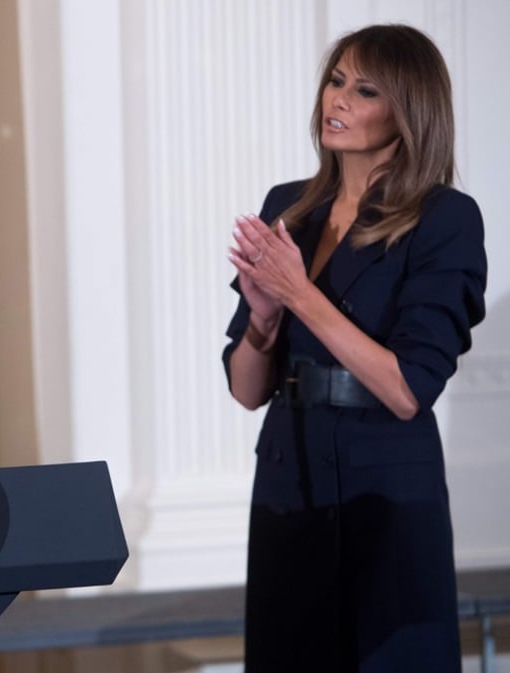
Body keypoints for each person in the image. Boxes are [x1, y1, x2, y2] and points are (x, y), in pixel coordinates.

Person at [223, 24, 486, 672]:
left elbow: (407, 389)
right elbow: (246, 389)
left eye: (363, 90)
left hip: (386, 493)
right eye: (335, 81)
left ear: (408, 110)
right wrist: (262, 319)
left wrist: (302, 296)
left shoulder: (445, 218)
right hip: (288, 481)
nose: (336, 101)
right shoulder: (290, 206)